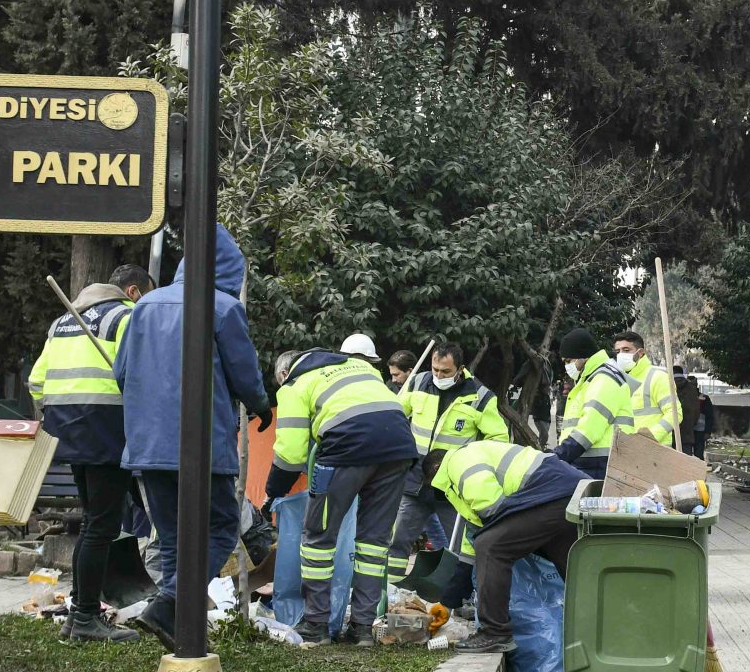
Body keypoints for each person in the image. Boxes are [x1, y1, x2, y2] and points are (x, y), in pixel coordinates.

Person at [111, 228, 272, 644]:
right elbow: (245, 374)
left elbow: (121, 373)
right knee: (219, 526)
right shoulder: (222, 307)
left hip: (147, 444)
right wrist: (260, 405)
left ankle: (175, 623)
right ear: (230, 272)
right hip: (202, 443)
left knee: (172, 537)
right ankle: (169, 605)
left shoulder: (144, 304)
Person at [27, 263, 151, 640]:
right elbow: (142, 374)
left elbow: (36, 382)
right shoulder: (126, 317)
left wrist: (60, 415)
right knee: (102, 526)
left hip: (68, 432)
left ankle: (78, 614)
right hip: (107, 427)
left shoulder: (62, 322)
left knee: (95, 521)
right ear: (132, 292)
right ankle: (83, 618)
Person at [268, 341, 421, 643]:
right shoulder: (361, 368)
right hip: (399, 448)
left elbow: (290, 454)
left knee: (318, 539)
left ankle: (316, 624)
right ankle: (363, 628)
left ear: (284, 372)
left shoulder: (294, 385)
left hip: (346, 449)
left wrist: (272, 492)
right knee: (373, 543)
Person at [429, 441, 587, 654]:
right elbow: (471, 549)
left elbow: (492, 509)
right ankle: (597, 631)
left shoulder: (458, 462)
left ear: (436, 470)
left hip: (550, 491)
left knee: (491, 546)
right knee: (574, 569)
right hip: (567, 493)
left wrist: (496, 540)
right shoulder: (474, 457)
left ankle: (495, 633)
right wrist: (448, 602)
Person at [396, 340, 510, 562]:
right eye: (435, 369)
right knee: (397, 542)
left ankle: (454, 594)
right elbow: (395, 415)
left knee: (459, 549)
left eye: (446, 371)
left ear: (460, 368)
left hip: (453, 487)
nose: (439, 375)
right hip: (414, 480)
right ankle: (392, 590)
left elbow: (498, 439)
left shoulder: (479, 397)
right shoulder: (417, 383)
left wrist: (472, 462)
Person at [553, 330, 632, 479]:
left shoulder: (604, 378)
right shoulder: (591, 379)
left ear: (584, 356)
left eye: (568, 360)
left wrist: (559, 455)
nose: (566, 366)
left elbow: (589, 428)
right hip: (591, 463)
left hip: (600, 465)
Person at [614, 329, 681, 447]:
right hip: (626, 449)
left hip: (655, 450)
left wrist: (651, 437)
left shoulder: (658, 377)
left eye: (626, 350)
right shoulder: (619, 380)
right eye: (618, 351)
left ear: (640, 353)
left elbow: (675, 414)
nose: (620, 355)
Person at [676, 367, 710, 460]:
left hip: (671, 433)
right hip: (689, 431)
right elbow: (697, 411)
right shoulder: (691, 389)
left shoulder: (666, 385)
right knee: (687, 461)